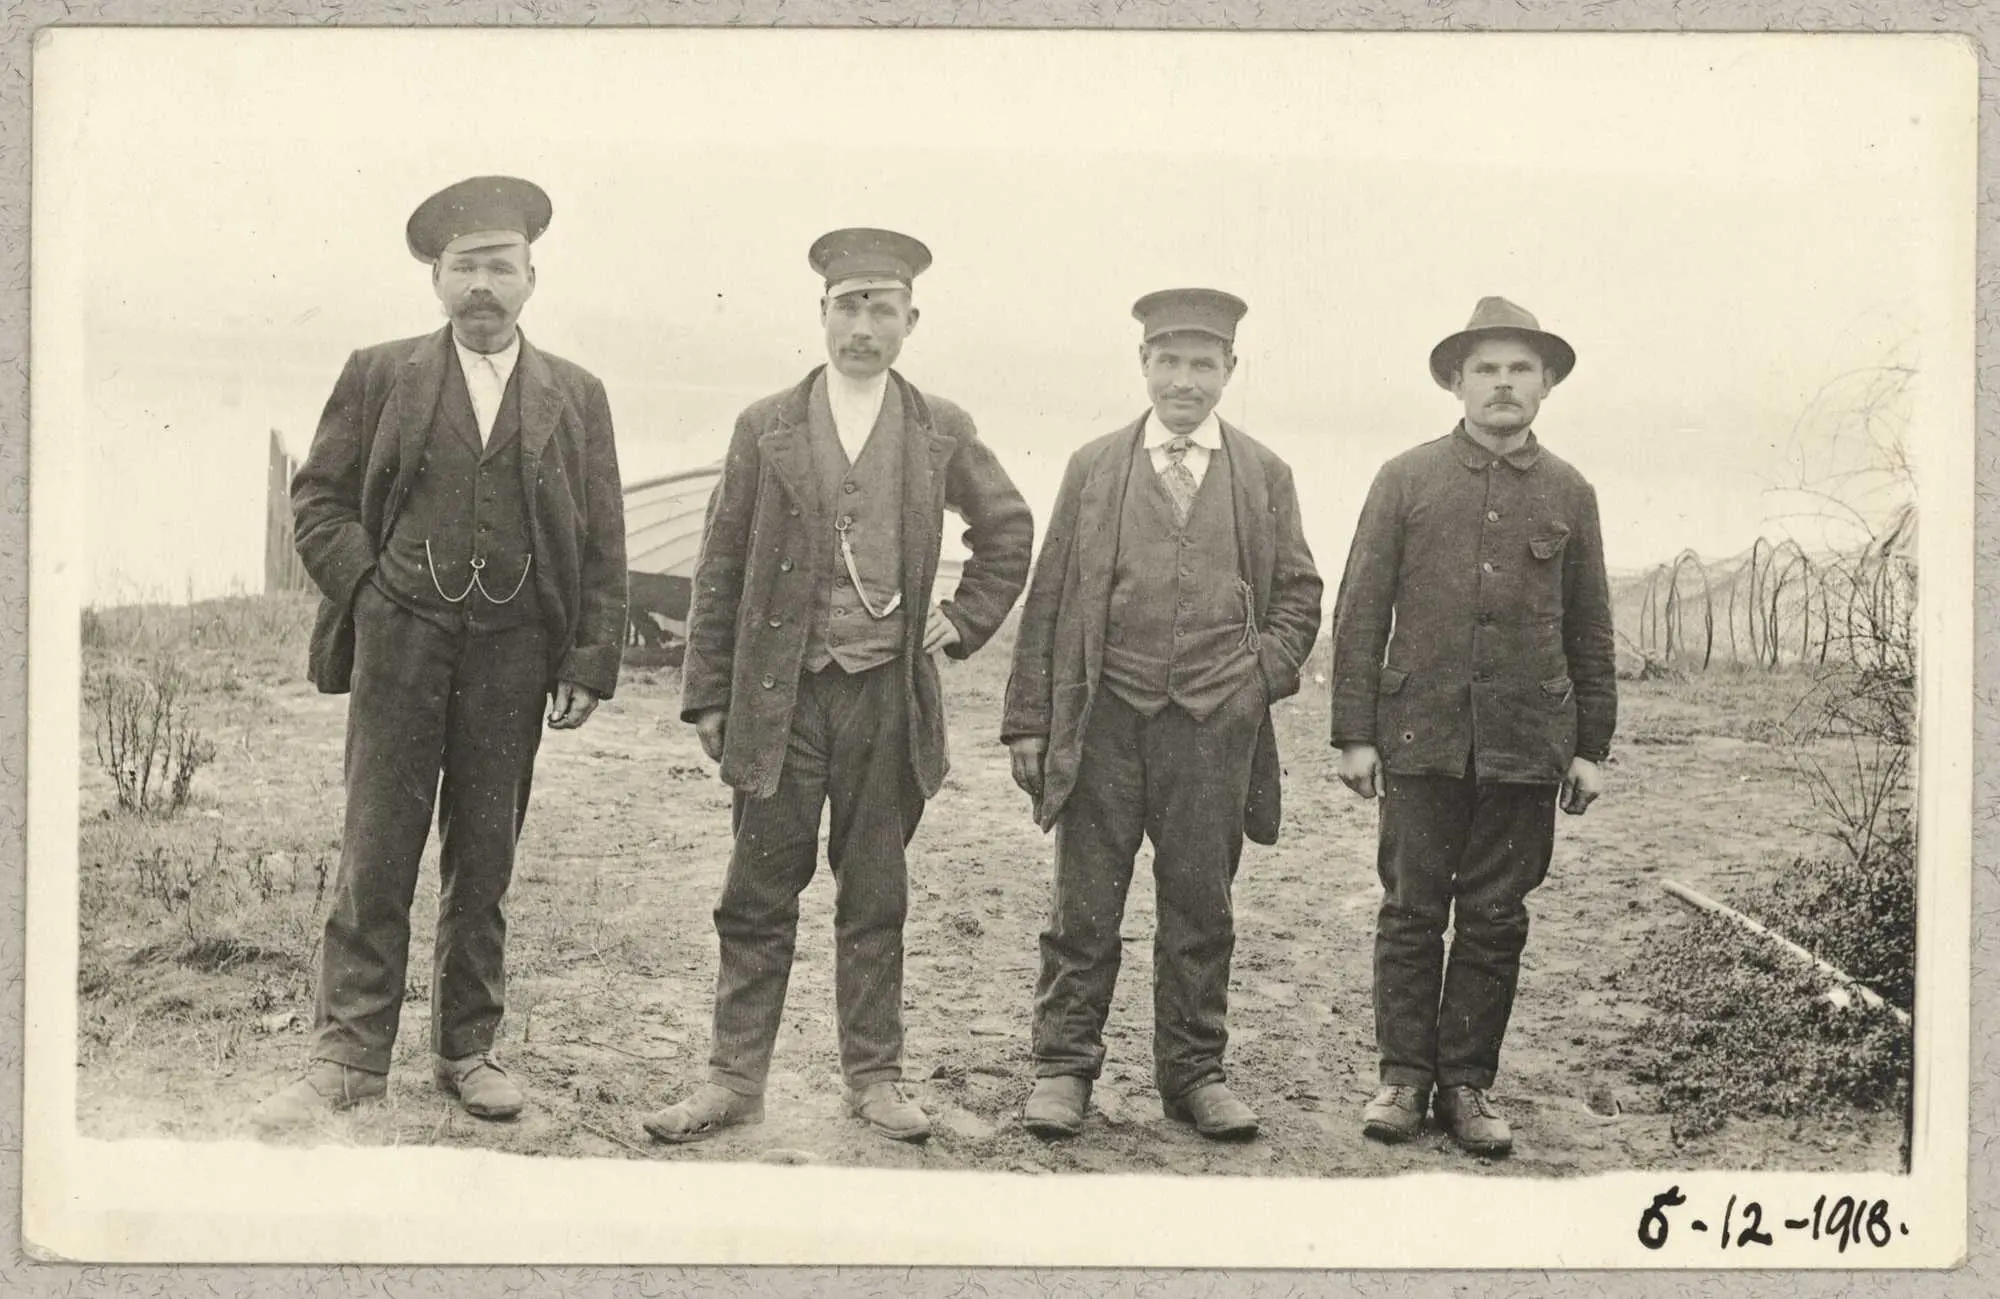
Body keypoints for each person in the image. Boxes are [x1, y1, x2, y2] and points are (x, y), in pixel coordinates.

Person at [643, 229, 1033, 1145]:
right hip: (781, 701)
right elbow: (720, 561)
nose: (863, 326)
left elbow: (1009, 530)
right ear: (822, 312)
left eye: (881, 309)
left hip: (885, 700)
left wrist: (963, 618)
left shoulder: (940, 426)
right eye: (848, 306)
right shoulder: (765, 425)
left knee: (875, 894)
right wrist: (710, 693)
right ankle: (733, 1080)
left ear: (910, 320)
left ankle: (876, 1079)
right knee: (756, 893)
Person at [255, 176, 629, 1132]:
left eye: (499, 266)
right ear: (437, 280)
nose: (482, 286)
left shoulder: (577, 396)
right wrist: (370, 593)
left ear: (531, 277)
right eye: (464, 267)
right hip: (401, 649)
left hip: (515, 655)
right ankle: (348, 1056)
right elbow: (318, 501)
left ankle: (467, 1049)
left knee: (485, 856)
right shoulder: (380, 374)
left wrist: (587, 659)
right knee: (376, 847)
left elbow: (602, 541)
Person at [1002, 289, 1323, 1142]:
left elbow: (1300, 595)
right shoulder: (1095, 467)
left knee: (1200, 907)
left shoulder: (1263, 474)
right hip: (1105, 721)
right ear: (1143, 363)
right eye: (1169, 361)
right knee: (1083, 906)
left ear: (1230, 370)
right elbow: (1049, 595)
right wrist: (1030, 719)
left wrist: (1257, 680)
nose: (1185, 380)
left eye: (1203, 364)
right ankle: (1064, 1066)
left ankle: (1194, 1073)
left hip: (1214, 730)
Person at [1329, 296, 1616, 1156]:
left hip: (1527, 742)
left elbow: (1590, 626)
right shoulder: (1405, 478)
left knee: (1494, 918)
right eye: (1485, 368)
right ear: (1456, 382)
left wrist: (1590, 746)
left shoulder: (1571, 491)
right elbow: (1360, 609)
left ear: (1546, 384)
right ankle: (1402, 1079)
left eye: (1520, 368)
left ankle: (1465, 1084)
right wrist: (1355, 731)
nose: (1502, 383)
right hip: (1421, 734)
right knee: (1411, 911)